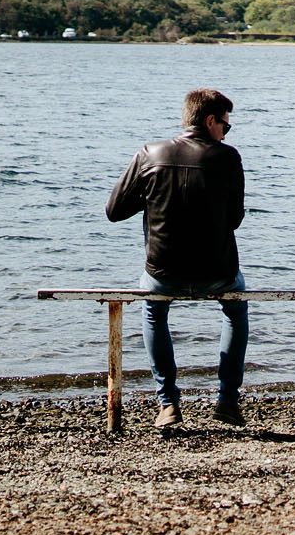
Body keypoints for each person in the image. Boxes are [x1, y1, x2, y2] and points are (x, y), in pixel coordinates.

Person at [106, 87, 247, 429]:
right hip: (218, 272)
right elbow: (235, 220)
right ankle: (227, 400)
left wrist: (155, 195)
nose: (226, 133)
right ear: (211, 120)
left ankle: (168, 404)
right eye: (226, 126)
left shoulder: (149, 153)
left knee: (154, 310)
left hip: (163, 272)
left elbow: (114, 210)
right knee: (236, 306)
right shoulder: (229, 158)